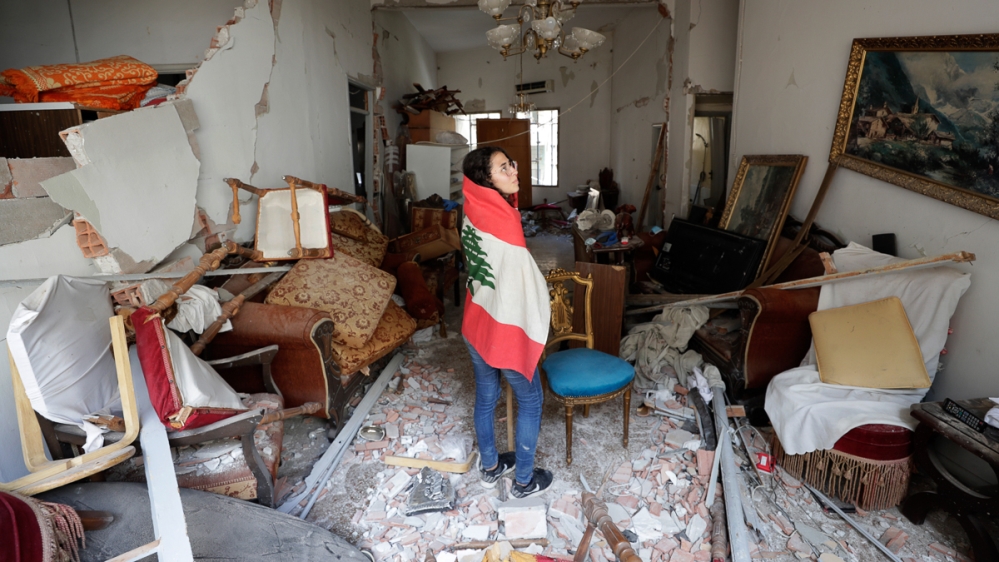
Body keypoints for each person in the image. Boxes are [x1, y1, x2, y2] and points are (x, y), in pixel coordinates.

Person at [460, 146, 553, 498]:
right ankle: (524, 481)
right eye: (503, 168)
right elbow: (522, 284)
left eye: (511, 164)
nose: (514, 171)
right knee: (531, 401)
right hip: (503, 328)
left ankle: (490, 467)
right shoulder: (504, 220)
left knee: (486, 396)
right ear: (486, 179)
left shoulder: (472, 207)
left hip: (476, 322)